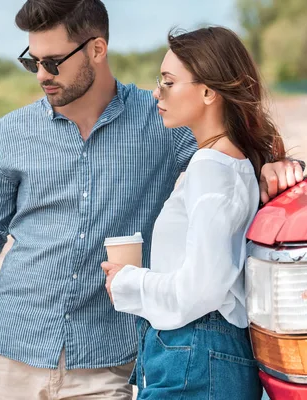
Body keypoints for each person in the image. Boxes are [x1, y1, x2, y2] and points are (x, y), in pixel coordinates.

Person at [0, 1, 302, 399]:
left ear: (97, 48)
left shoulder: (161, 122)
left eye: (53, 62)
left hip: (108, 359)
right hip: (7, 353)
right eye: (32, 61)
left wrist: (272, 166)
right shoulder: (10, 133)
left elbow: (227, 160)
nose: (42, 74)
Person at [102, 27, 285, 399]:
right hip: (203, 354)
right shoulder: (233, 162)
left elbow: (201, 288)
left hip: (195, 352)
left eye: (168, 82)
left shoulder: (210, 166)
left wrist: (127, 281)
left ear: (207, 92)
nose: (157, 92)